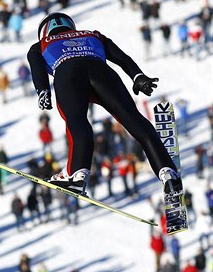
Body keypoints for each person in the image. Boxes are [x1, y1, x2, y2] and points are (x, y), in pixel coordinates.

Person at [27, 12, 187, 232]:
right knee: (134, 120)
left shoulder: (41, 44)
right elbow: (120, 57)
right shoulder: (93, 35)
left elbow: (37, 67)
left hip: (68, 72)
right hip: (102, 71)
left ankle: (77, 172)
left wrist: (42, 90)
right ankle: (167, 171)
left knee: (77, 121)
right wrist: (137, 76)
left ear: (45, 30)